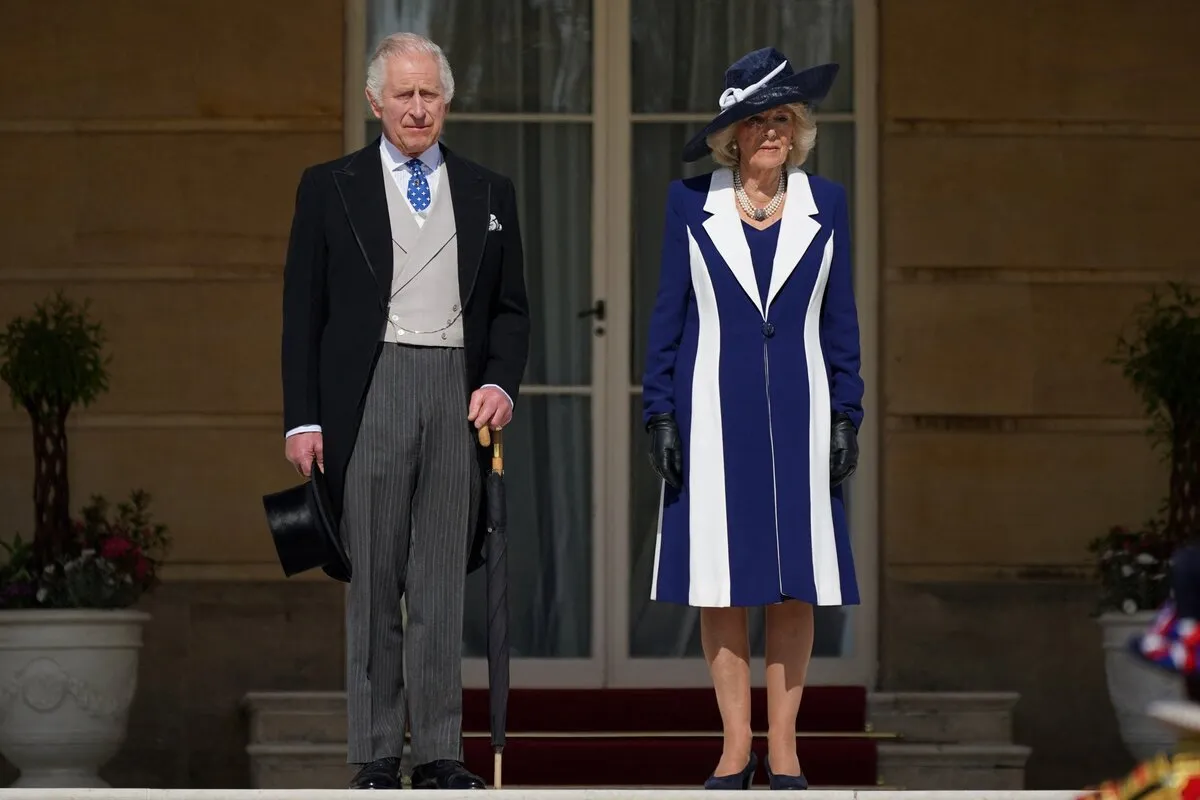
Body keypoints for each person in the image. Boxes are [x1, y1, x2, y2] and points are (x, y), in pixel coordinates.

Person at [279, 31, 530, 791]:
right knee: (375, 575)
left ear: (446, 100)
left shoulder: (489, 190)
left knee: (441, 580)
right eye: (404, 94)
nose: (417, 109)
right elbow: (303, 311)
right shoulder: (330, 186)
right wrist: (304, 419)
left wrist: (501, 382)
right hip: (372, 388)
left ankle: (442, 752)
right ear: (374, 101)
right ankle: (378, 751)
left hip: (457, 392)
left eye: (430, 94)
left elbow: (513, 310)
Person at [641, 47, 864, 791]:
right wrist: (659, 413)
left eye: (782, 118)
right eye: (755, 119)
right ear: (731, 134)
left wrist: (847, 413)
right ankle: (736, 750)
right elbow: (667, 315)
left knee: (794, 583)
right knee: (723, 581)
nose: (771, 131)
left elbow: (841, 321)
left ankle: (786, 750)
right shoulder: (689, 202)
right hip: (712, 408)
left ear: (797, 129)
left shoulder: (825, 202)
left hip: (801, 411)